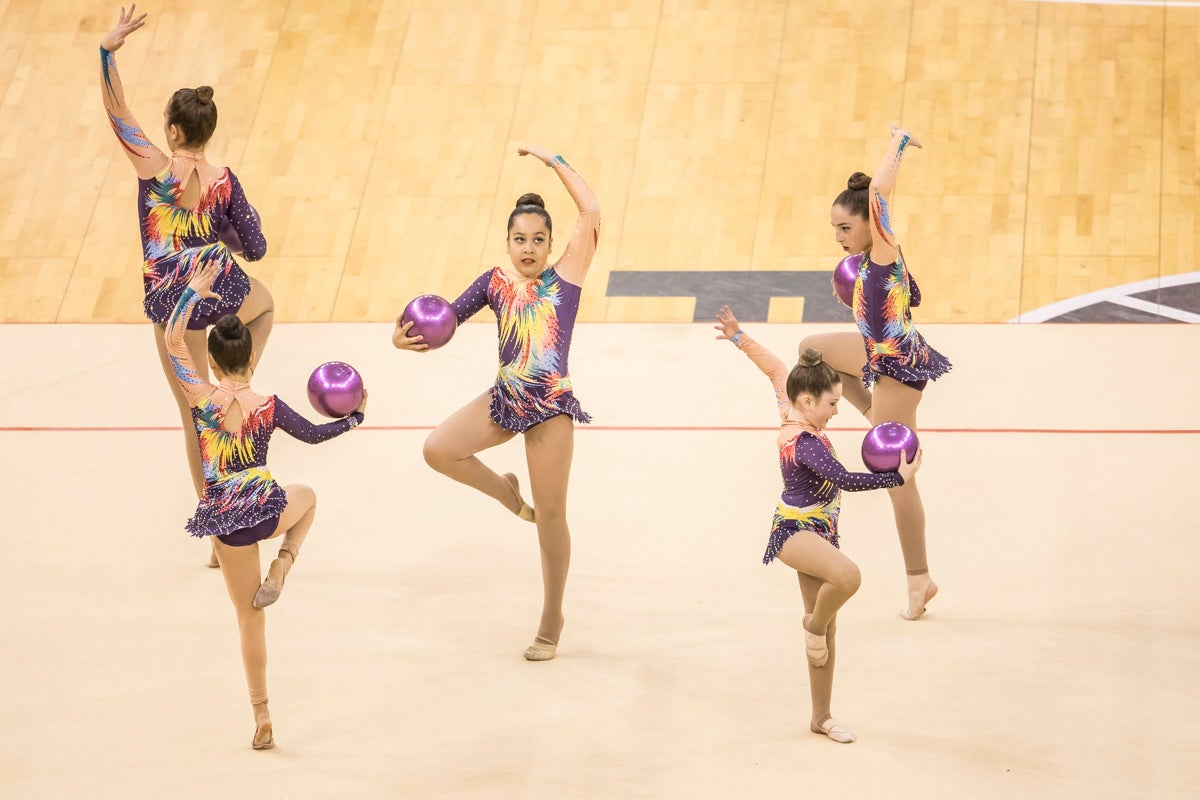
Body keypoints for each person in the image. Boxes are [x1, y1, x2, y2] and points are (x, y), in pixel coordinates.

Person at [393, 146, 600, 661]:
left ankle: (552, 617)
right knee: (438, 449)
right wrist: (404, 339)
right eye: (519, 239)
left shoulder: (565, 279)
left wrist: (554, 162)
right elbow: (445, 319)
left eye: (538, 240)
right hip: (506, 397)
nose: (528, 248)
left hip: (550, 406)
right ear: (507, 243)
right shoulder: (494, 282)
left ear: (552, 244)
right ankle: (506, 494)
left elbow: (591, 212)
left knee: (551, 516)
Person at [100, 6, 275, 568]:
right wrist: (225, 230)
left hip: (172, 302)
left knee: (194, 416)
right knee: (264, 304)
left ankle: (220, 532)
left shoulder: (152, 166)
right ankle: (238, 378)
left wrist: (107, 51)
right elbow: (256, 247)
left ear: (173, 130)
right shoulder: (224, 181)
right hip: (218, 288)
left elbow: (116, 110)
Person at [166, 261, 366, 750]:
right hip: (266, 509)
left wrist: (193, 292)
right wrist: (355, 417)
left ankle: (261, 713)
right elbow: (317, 435)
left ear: (213, 363)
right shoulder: (268, 405)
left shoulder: (200, 397)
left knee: (248, 619)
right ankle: (284, 563)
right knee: (310, 499)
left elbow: (174, 340)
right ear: (250, 361)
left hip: (226, 520)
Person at [716, 306, 921, 743]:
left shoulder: (789, 399)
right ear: (808, 402)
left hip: (820, 530)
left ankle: (821, 716)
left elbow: (773, 367)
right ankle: (810, 628)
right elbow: (844, 478)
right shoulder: (804, 443)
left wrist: (739, 337)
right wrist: (896, 476)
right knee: (846, 578)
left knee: (828, 626)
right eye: (832, 403)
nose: (836, 411)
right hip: (794, 532)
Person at [799, 125, 950, 620]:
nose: (839, 238)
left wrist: (898, 144)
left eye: (845, 228)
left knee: (897, 478)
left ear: (870, 225)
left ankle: (919, 580)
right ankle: (877, 418)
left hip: (899, 368)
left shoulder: (883, 253)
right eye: (834, 230)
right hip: (877, 354)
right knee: (812, 350)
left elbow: (881, 192)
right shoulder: (864, 262)